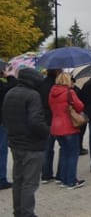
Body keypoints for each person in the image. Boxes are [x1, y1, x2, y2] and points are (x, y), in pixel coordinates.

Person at [2, 68, 50, 217]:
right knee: (30, 182)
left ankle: (18, 211)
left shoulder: (10, 93)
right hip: (32, 145)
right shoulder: (33, 95)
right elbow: (35, 121)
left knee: (18, 180)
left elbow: (5, 116)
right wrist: (47, 132)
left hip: (15, 143)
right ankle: (27, 213)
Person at [49, 71, 85, 189]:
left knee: (64, 153)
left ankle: (62, 178)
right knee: (73, 154)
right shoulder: (70, 92)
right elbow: (80, 106)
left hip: (56, 126)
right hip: (69, 126)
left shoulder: (52, 92)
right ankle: (71, 181)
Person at [39, 68, 60, 183]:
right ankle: (61, 174)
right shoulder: (55, 85)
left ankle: (46, 174)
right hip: (55, 118)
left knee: (47, 148)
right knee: (64, 146)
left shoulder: (41, 84)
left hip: (44, 118)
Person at [0, 67, 17, 190]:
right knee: (2, 150)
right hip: (1, 122)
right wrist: (9, 76)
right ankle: (1, 179)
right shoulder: (2, 86)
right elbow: (12, 85)